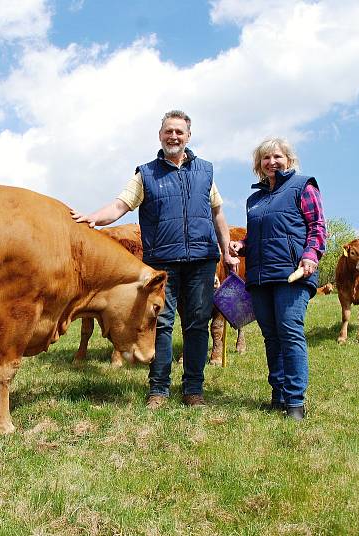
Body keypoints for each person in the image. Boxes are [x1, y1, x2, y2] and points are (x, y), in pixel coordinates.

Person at [71, 110, 239, 408]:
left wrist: (226, 250)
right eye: (168, 131)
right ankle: (158, 389)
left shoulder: (205, 171)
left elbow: (218, 213)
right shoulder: (145, 174)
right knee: (160, 322)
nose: (173, 136)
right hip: (162, 263)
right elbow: (121, 205)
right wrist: (93, 218)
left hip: (202, 259)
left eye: (179, 132)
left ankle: (193, 389)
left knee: (197, 324)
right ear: (160, 135)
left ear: (189, 136)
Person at [229, 137, 326, 421]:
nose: (271, 162)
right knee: (271, 336)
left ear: (289, 160)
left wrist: (310, 255)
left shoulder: (303, 186)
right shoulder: (255, 199)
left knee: (289, 331)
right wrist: (242, 246)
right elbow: (259, 236)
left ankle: (295, 403)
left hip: (292, 274)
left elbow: (317, 226)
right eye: (265, 158)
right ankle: (279, 394)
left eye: (277, 157)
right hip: (260, 275)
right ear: (258, 165)